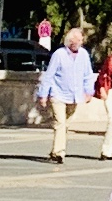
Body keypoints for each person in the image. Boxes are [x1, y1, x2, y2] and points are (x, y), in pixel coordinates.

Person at [37, 30, 95, 164]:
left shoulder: (84, 54)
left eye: (81, 40)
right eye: (77, 40)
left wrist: (89, 91)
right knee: (60, 123)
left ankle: (55, 151)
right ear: (70, 41)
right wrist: (43, 94)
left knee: (66, 124)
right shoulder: (59, 54)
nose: (80, 42)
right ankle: (59, 152)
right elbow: (49, 75)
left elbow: (88, 74)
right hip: (58, 94)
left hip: (74, 95)